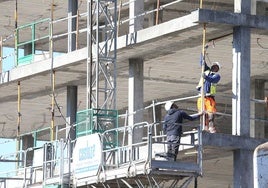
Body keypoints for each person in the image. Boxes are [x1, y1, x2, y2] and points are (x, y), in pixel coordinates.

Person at [196, 61, 221, 133]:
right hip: (201, 96)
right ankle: (204, 127)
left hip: (209, 97)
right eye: (213, 65)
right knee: (201, 113)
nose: (213, 66)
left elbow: (212, 80)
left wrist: (205, 77)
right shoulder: (206, 70)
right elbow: (202, 63)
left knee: (211, 113)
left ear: (217, 69)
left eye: (216, 66)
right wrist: (203, 52)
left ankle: (211, 127)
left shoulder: (217, 76)